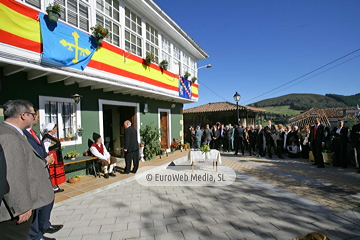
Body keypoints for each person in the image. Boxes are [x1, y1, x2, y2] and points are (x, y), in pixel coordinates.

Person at [0, 100, 54, 240]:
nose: (34, 117)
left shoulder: (14, 133)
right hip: (15, 212)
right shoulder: (8, 136)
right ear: (23, 115)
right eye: (32, 114)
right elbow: (12, 175)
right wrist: (21, 207)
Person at [23, 110, 63, 240]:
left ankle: (45, 224)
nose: (38, 119)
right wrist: (46, 159)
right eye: (36, 116)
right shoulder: (22, 134)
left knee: (48, 200)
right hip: (37, 172)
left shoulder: (32, 133)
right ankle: (36, 235)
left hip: (44, 168)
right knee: (38, 205)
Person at [42, 123, 66, 193]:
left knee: (56, 171)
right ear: (51, 129)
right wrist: (48, 157)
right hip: (52, 156)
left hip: (57, 156)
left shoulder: (51, 137)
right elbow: (45, 149)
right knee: (53, 171)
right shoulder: (47, 138)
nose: (56, 130)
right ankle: (53, 187)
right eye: (55, 129)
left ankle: (55, 186)